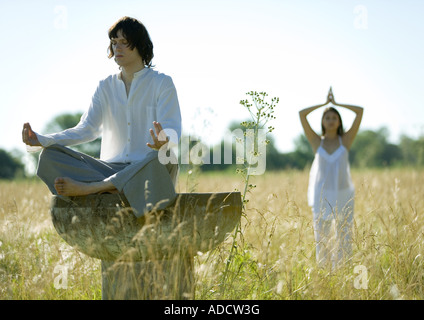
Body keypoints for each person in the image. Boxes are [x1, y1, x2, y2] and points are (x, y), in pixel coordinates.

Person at [22, 16, 182, 218]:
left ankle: (94, 188)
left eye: (124, 42)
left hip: (146, 170)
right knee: (50, 156)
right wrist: (43, 140)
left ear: (140, 45)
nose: (117, 48)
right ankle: (114, 187)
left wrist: (165, 140)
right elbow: (86, 129)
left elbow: (173, 129)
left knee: (165, 157)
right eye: (114, 43)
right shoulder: (105, 86)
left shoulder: (162, 83)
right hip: (109, 170)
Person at [299, 87, 363, 268]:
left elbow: (360, 112)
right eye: (327, 117)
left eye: (334, 117)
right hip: (322, 194)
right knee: (322, 236)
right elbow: (302, 115)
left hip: (344, 193)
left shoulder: (346, 140)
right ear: (322, 121)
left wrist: (336, 104)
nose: (331, 120)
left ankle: (342, 270)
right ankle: (325, 271)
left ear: (339, 121)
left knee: (344, 235)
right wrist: (324, 104)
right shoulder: (316, 142)